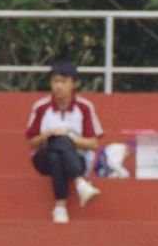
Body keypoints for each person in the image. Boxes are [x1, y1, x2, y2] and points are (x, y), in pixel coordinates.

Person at [25, 59, 105, 224]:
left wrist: (70, 138)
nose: (58, 86)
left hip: (77, 159)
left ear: (74, 84)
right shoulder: (41, 107)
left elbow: (93, 143)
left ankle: (60, 207)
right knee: (56, 146)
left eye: (63, 81)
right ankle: (80, 183)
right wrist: (46, 135)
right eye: (55, 81)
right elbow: (31, 142)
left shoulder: (84, 107)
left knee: (57, 154)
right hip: (43, 158)